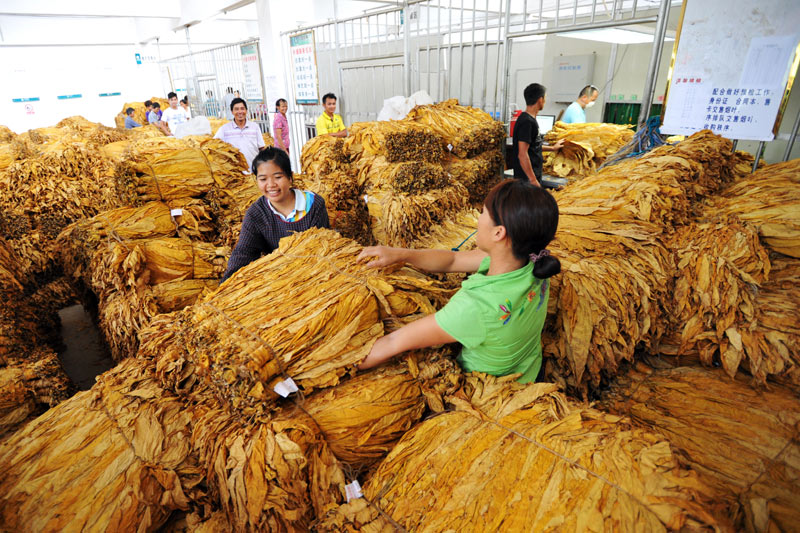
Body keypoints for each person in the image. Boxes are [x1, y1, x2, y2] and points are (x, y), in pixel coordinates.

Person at [357, 179, 560, 383]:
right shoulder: (533, 264)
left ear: (499, 232)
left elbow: (394, 342)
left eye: (482, 212)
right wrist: (402, 254)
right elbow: (453, 259)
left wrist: (337, 360)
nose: (478, 218)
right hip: (531, 371)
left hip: (495, 390)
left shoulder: (474, 307)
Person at [221, 147, 330, 282]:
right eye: (263, 179)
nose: (271, 185)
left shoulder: (313, 204)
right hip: (278, 278)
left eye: (278, 177)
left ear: (290, 177)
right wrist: (225, 287)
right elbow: (244, 252)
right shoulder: (256, 213)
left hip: (313, 275)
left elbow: (321, 247)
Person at [509, 83, 564, 187]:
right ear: (540, 100)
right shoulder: (527, 122)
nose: (545, 101)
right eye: (545, 98)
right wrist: (533, 180)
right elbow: (522, 154)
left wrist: (552, 148)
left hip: (530, 179)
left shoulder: (530, 120)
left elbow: (533, 146)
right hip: (526, 182)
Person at [214, 97, 266, 169]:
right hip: (236, 175)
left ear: (246, 110)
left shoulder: (255, 127)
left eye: (242, 108)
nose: (240, 112)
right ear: (232, 112)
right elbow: (214, 147)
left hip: (254, 172)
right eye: (236, 109)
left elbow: (261, 148)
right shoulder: (224, 130)